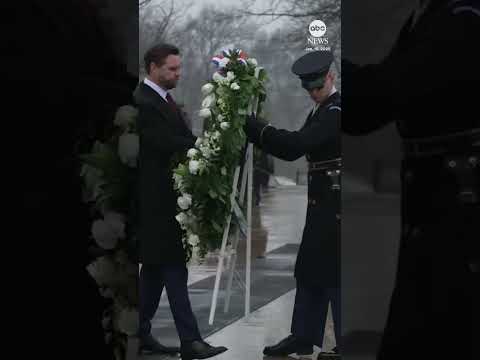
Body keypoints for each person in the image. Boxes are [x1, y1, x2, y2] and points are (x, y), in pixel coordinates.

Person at [342, 1, 479, 359]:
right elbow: (365, 109)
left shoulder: (462, 18)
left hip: (456, 211)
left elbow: (379, 95)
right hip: (438, 203)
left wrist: (319, 46)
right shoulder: (434, 13)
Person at [245, 50, 342, 359]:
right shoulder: (322, 110)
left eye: (318, 87)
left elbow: (297, 146)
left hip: (337, 206)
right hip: (323, 203)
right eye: (309, 89)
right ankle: (302, 335)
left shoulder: (337, 110)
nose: (313, 93)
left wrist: (258, 129)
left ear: (331, 77)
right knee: (310, 269)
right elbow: (296, 148)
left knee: (335, 274)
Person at [134, 43, 228, 360]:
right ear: (153, 67)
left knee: (154, 273)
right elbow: (162, 143)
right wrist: (201, 146)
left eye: (178, 68)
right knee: (173, 268)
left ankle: (139, 333)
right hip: (157, 203)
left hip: (168, 202)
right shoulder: (142, 101)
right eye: (172, 69)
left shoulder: (163, 100)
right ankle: (190, 340)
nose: (178, 73)